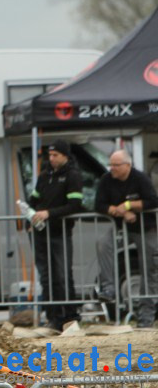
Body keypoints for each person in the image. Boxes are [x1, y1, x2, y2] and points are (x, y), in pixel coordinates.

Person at [94, 149, 158, 328]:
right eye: (111, 165)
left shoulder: (140, 179)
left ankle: (146, 314)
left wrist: (129, 205)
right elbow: (98, 204)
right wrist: (115, 210)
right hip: (120, 227)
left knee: (150, 268)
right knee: (103, 244)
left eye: (116, 165)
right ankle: (108, 288)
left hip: (145, 228)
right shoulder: (107, 180)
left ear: (127, 165)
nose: (111, 168)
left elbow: (153, 201)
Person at [29, 140, 84, 334]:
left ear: (65, 156)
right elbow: (33, 200)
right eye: (50, 155)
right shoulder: (44, 176)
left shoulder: (73, 176)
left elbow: (75, 205)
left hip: (60, 232)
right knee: (46, 276)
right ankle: (52, 317)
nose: (51, 159)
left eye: (55, 155)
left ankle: (70, 316)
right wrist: (30, 215)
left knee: (62, 274)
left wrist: (49, 213)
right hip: (41, 233)